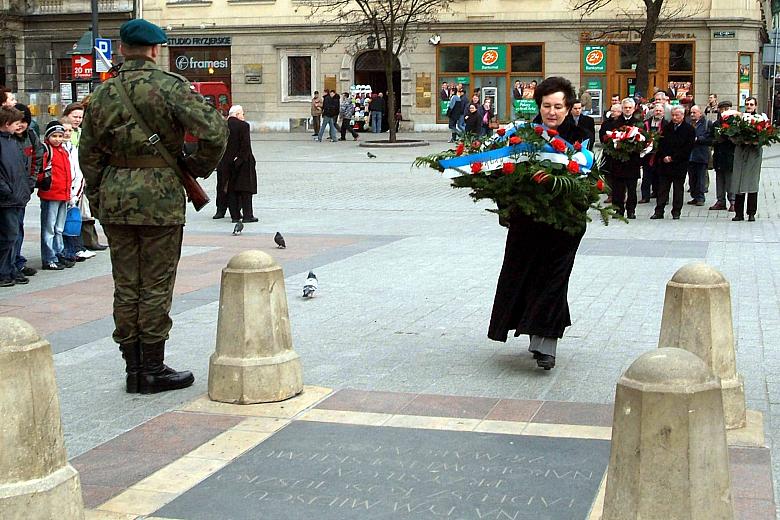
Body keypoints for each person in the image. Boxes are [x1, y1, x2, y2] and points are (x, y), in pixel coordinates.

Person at [79, 18, 227, 394]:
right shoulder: (170, 86)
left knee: (126, 284)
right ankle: (152, 369)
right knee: (157, 283)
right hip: (159, 198)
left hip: (114, 198)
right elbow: (214, 131)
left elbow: (88, 154)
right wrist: (195, 167)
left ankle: (132, 369)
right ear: (156, 49)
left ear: (122, 49)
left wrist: (98, 197)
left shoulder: (102, 94)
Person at [488, 76, 589, 371]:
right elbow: (502, 174)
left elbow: (586, 180)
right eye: (547, 106)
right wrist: (507, 205)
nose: (552, 112)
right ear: (539, 106)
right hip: (527, 222)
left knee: (554, 279)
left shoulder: (580, 135)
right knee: (525, 277)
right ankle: (536, 332)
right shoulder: (522, 136)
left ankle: (546, 345)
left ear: (569, 108)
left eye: (558, 106)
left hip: (564, 224)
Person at [10, 103, 42, 279]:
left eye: (24, 121)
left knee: (18, 227)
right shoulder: (7, 138)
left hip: (23, 190)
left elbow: (38, 158)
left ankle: (17, 262)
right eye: (18, 121)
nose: (21, 125)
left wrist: (31, 182)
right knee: (10, 230)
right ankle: (9, 265)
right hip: (9, 191)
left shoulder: (31, 136)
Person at [0, 106, 31, 287]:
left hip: (17, 196)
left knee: (15, 235)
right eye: (16, 123)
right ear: (6, 124)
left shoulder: (12, 141)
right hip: (7, 198)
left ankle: (10, 269)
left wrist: (24, 189)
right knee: (8, 235)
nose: (19, 127)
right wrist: (7, 190)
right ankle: (4, 271)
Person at [37, 121, 73, 270]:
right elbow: (40, 171)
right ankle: (49, 257)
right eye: (54, 136)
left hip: (63, 194)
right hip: (51, 194)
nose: (58, 139)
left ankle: (58, 253)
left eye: (60, 136)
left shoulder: (63, 151)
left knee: (59, 227)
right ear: (48, 136)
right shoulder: (47, 150)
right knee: (49, 228)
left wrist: (69, 193)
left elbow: (68, 173)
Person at [651, 106, 695, 220]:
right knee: (662, 189)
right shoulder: (667, 128)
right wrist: (664, 156)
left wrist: (673, 158)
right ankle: (659, 211)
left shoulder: (689, 129)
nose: (675, 118)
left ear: (683, 115)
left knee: (678, 189)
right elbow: (661, 143)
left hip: (679, 164)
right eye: (673, 115)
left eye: (677, 115)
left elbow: (687, 148)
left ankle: (676, 211)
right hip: (665, 164)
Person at [218, 105, 257, 223]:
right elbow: (245, 146)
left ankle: (234, 216)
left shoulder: (222, 126)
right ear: (237, 114)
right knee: (246, 189)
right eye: (242, 114)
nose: (244, 116)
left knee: (231, 189)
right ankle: (247, 215)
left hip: (226, 162)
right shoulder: (243, 126)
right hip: (242, 163)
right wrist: (240, 160)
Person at [729, 96, 762, 221]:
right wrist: (739, 139)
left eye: (751, 104)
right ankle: (738, 213)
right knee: (738, 182)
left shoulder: (760, 119)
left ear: (755, 106)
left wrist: (755, 141)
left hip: (754, 154)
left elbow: (764, 136)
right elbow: (732, 134)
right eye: (747, 104)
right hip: (740, 153)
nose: (749, 106)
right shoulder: (740, 119)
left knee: (752, 183)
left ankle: (751, 213)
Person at [608, 98, 642, 218]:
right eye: (625, 108)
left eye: (629, 108)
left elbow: (643, 140)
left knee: (632, 189)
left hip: (632, 161)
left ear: (633, 109)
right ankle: (618, 210)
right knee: (618, 189)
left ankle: (631, 210)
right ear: (622, 109)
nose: (627, 110)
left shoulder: (638, 123)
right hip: (618, 161)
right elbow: (607, 139)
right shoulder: (615, 123)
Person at [710, 100, 736, 211]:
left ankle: (733, 201)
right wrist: (715, 140)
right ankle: (720, 200)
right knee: (719, 179)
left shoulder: (734, 123)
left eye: (727, 109)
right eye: (722, 109)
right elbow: (711, 137)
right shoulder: (716, 124)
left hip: (730, 154)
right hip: (719, 154)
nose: (724, 111)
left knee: (730, 179)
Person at [686, 105, 712, 207]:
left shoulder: (706, 124)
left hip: (701, 154)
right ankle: (694, 196)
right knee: (692, 177)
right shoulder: (687, 123)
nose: (692, 115)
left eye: (694, 113)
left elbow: (710, 139)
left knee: (701, 177)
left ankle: (700, 197)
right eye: (691, 113)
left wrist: (699, 139)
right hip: (689, 155)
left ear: (700, 113)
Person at [639, 103, 665, 203]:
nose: (658, 113)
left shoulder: (666, 124)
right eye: (656, 111)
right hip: (647, 154)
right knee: (646, 176)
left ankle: (659, 195)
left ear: (663, 113)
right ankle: (645, 196)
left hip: (659, 154)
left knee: (660, 176)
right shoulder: (646, 123)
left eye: (660, 111)